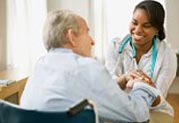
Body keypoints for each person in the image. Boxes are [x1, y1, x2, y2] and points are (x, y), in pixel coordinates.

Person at [20, 10, 164, 123]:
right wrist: (141, 86)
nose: (92, 41)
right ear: (71, 37)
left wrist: (122, 79)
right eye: (87, 32)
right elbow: (138, 115)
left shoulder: (40, 66)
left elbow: (85, 92)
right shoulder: (87, 67)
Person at [105, 0, 176, 121]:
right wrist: (125, 77)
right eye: (134, 22)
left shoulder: (167, 54)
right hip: (119, 109)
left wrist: (141, 85)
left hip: (153, 111)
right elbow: (108, 89)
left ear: (157, 29)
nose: (137, 30)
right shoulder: (115, 46)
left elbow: (158, 96)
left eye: (146, 26)